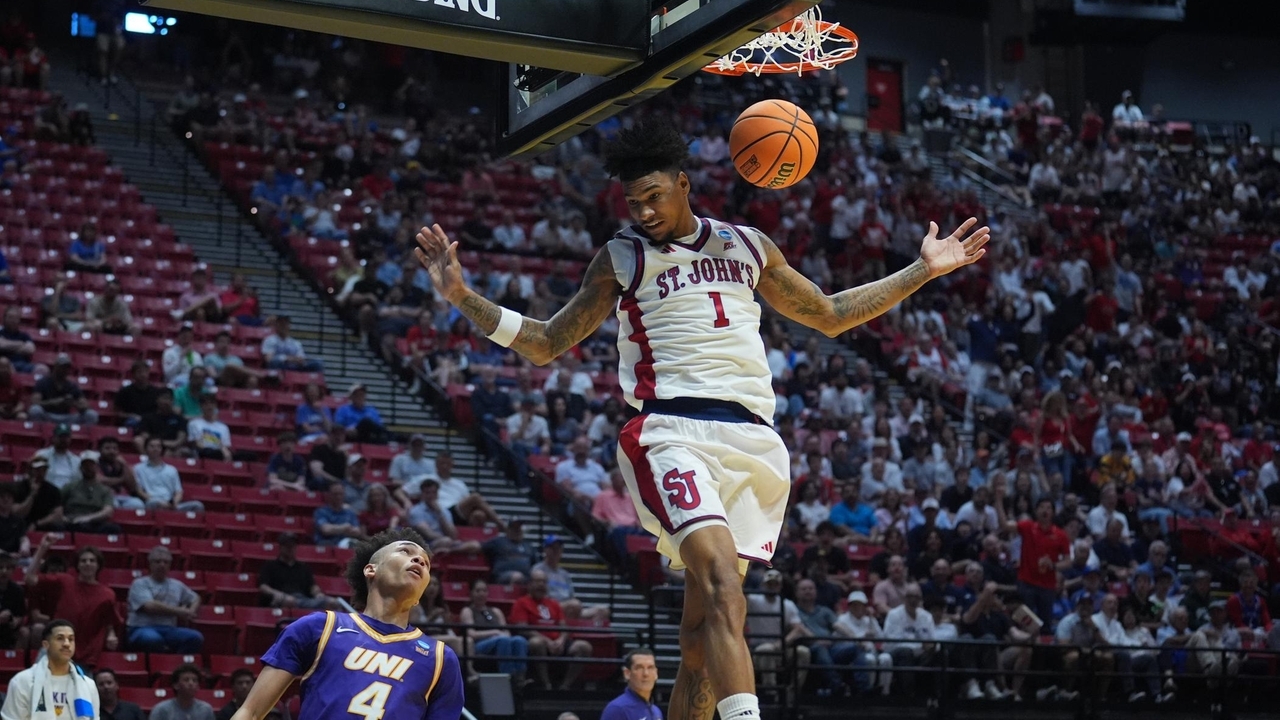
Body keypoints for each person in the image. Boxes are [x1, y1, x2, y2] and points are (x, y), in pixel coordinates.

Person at [416, 117, 989, 720]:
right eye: (633, 201)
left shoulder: (748, 245)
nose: (643, 211)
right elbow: (545, 341)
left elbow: (830, 313)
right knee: (722, 582)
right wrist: (462, 298)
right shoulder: (621, 257)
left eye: (654, 197)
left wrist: (923, 269)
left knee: (698, 644)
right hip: (670, 431)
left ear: (684, 184)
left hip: (752, 440)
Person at [229, 528, 465, 720]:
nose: (418, 560)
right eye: (405, 551)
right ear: (370, 569)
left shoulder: (440, 659)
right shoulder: (319, 628)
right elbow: (251, 712)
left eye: (425, 562)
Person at [25, 538, 120, 667]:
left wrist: (111, 635)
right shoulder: (64, 581)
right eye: (83, 560)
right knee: (37, 685)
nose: (87, 563)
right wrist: (42, 548)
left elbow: (109, 622)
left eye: (92, 561)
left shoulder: (108, 594)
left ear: (98, 565)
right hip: (55, 649)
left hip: (85, 656)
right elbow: (30, 579)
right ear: (78, 565)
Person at [508, 569, 593, 690]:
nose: (541, 585)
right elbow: (522, 628)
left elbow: (563, 626)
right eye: (538, 582)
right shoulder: (521, 603)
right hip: (537, 643)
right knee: (537, 642)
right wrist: (547, 641)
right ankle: (546, 684)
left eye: (544, 582)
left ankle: (565, 686)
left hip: (557, 642)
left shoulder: (553, 603)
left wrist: (561, 640)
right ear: (530, 584)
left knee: (584, 646)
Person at [0, 620, 99, 720]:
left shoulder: (87, 685)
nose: (66, 644)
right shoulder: (22, 681)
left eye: (71, 639)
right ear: (46, 645)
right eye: (60, 638)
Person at [125, 546, 204, 654]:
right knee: (153, 639)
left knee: (195, 637)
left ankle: (175, 665)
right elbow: (150, 606)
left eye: (166, 562)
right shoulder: (139, 583)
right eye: (157, 561)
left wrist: (191, 611)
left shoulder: (177, 585)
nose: (162, 565)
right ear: (150, 564)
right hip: (141, 628)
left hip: (169, 629)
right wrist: (179, 611)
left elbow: (196, 598)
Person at [457, 579, 529, 685]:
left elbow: (506, 631)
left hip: (500, 640)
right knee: (503, 640)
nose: (481, 594)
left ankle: (520, 677)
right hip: (478, 644)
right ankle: (507, 677)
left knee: (519, 640)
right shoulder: (468, 611)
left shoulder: (496, 611)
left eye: (484, 591)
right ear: (471, 593)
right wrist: (494, 632)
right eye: (478, 591)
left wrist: (501, 635)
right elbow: (471, 634)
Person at [258, 532, 341, 610]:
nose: (290, 548)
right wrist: (277, 594)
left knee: (333, 603)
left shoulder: (303, 567)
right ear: (280, 547)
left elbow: (312, 586)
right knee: (290, 601)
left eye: (293, 546)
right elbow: (263, 587)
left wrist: (317, 593)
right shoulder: (270, 566)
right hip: (283, 598)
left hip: (304, 600)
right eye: (287, 546)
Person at [601, 648, 662, 720]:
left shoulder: (656, 711)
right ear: (627, 673)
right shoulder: (617, 709)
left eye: (650, 668)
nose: (646, 674)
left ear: (656, 673)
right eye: (639, 668)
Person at [149, 664, 215, 720]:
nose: (191, 683)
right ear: (176, 685)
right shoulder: (162, 710)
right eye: (186, 680)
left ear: (198, 686)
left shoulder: (206, 709)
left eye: (194, 680)